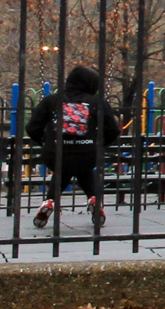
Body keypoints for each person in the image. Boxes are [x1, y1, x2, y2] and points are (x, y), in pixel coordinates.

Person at [26, 65, 120, 231]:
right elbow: (113, 130)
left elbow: (32, 127)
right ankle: (94, 199)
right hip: (87, 153)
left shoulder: (51, 101)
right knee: (82, 168)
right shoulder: (96, 102)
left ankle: (49, 201)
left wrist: (45, 143)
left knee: (63, 168)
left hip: (55, 154)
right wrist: (98, 144)